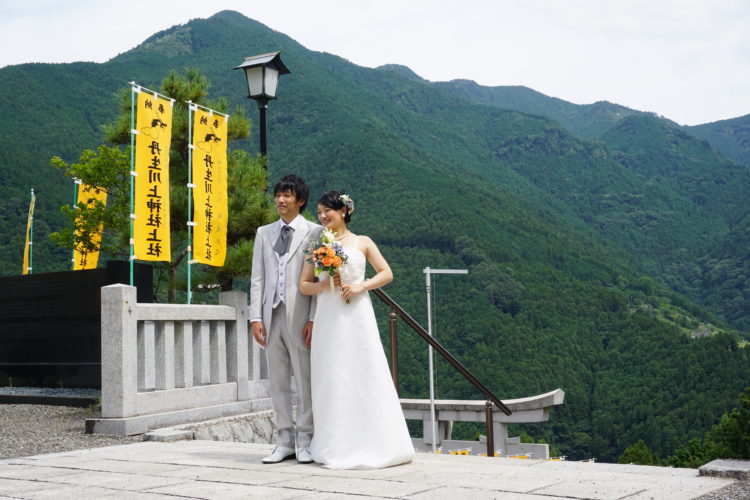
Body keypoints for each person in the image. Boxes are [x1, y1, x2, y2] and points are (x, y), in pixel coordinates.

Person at [299, 191, 415, 469]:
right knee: (332, 373)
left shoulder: (362, 242)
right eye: (320, 212)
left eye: (328, 211)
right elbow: (303, 284)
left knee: (363, 369)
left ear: (344, 211)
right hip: (328, 314)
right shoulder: (318, 244)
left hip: (357, 313)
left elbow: (386, 272)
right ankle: (335, 442)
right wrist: (324, 286)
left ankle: (376, 440)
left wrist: (361, 286)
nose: (324, 216)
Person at [249, 174, 322, 464]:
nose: (281, 200)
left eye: (287, 195)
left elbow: (319, 277)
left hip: (301, 316)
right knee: (277, 381)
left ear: (300, 200)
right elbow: (257, 278)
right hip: (271, 315)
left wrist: (314, 318)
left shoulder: (315, 232)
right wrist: (255, 316)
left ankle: (306, 441)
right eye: (279, 195)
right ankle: (284, 441)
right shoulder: (263, 232)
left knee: (304, 381)